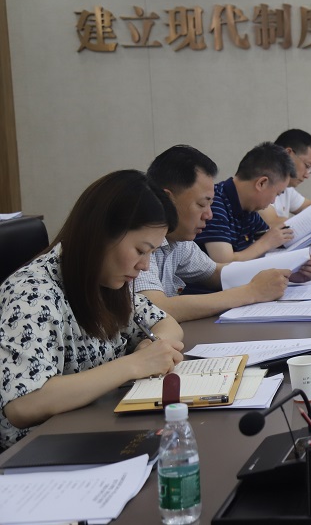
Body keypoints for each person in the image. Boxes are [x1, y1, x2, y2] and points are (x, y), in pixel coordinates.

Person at [0, 170, 185, 449]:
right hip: (39, 452)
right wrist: (134, 364)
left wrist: (153, 348)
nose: (145, 265)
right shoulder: (32, 292)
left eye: (152, 253)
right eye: (140, 250)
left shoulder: (106, 281)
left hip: (94, 427)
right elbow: (24, 403)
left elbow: (166, 323)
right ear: (101, 234)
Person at [141, 145, 311, 322]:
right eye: (201, 204)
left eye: (210, 204)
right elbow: (155, 309)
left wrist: (285, 272)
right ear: (168, 199)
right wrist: (251, 292)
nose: (209, 215)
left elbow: (216, 273)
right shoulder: (139, 239)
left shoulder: (180, 242)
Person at [195, 142, 296, 264]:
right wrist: (265, 243)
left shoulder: (249, 210)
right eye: (277, 194)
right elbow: (224, 264)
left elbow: (271, 246)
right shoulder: (214, 203)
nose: (273, 201)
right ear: (261, 183)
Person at [261, 129, 311, 227]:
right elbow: (274, 223)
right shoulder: (261, 181)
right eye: (307, 166)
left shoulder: (286, 187)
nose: (307, 175)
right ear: (288, 154)